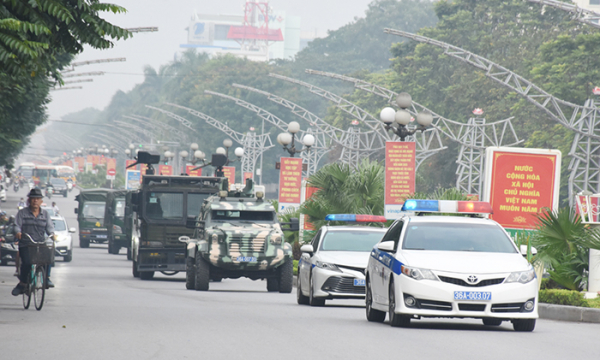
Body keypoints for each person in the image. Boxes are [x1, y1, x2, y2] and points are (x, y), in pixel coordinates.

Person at [11, 188, 56, 296]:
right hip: (26, 244)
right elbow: (16, 225)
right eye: (33, 198)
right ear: (29, 200)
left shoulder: (45, 214)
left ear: (41, 201)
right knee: (27, 263)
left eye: (37, 198)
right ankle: (22, 284)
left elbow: (50, 227)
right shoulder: (22, 213)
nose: (35, 200)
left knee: (48, 256)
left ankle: (47, 278)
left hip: (40, 243)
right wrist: (18, 232)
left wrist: (53, 235)